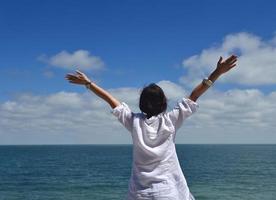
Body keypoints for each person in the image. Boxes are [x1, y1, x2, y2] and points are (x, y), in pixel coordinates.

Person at [65, 55, 237, 200]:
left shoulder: (133, 122)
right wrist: (217, 73)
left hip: (140, 194)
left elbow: (111, 100)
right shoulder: (171, 120)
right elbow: (195, 95)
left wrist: (88, 84)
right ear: (163, 103)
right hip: (168, 193)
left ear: (141, 104)